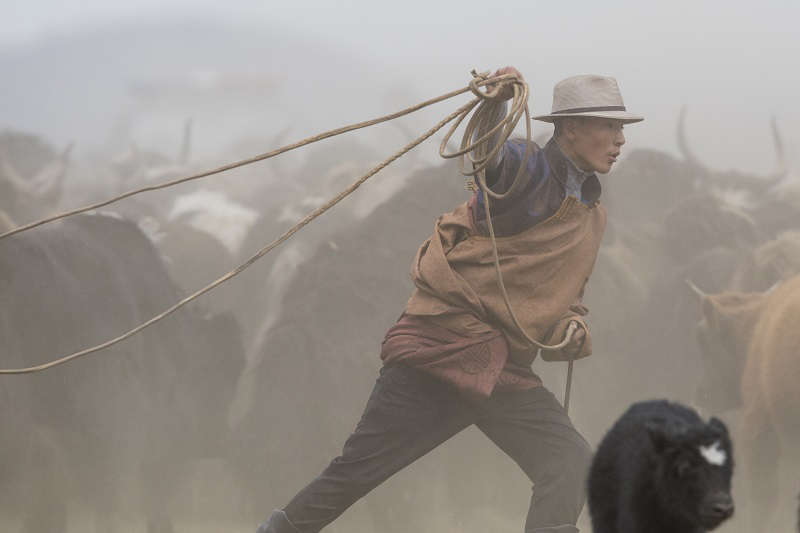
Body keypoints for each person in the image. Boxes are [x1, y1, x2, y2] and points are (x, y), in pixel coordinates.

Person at [256, 67, 643, 533]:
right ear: (571, 128)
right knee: (353, 474)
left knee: (572, 462)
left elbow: (564, 299)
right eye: (609, 125)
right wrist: (496, 104)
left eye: (622, 127)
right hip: (440, 352)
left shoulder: (592, 217)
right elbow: (489, 159)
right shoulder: (526, 167)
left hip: (504, 371)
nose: (620, 139)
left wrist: (570, 327)